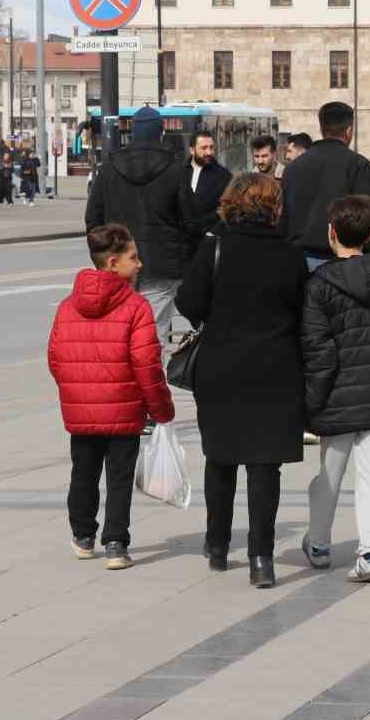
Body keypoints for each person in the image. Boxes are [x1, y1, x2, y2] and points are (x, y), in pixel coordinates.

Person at [176, 174, 309, 587]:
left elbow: (188, 303)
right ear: (274, 207)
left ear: (231, 203)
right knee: (264, 466)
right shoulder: (291, 255)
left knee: (221, 458)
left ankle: (217, 547)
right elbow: (301, 312)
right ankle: (261, 559)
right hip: (275, 367)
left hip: (221, 368)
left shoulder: (214, 248)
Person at [45, 224, 175, 571]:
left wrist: (76, 390)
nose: (140, 264)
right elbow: (147, 365)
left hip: (82, 409)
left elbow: (55, 358)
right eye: (134, 258)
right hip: (125, 407)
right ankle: (116, 542)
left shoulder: (67, 306)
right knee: (119, 476)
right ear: (113, 263)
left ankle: (83, 536)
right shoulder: (136, 308)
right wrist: (161, 408)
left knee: (83, 471)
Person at [299, 195, 370, 584]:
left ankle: (318, 543)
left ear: (331, 233)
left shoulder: (319, 284)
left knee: (329, 473)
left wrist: (311, 401)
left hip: (337, 396)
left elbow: (317, 349)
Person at [85, 106, 190, 340]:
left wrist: (104, 256)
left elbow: (93, 218)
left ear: (133, 133)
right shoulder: (175, 170)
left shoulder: (109, 169)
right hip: (162, 265)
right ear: (159, 133)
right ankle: (152, 376)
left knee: (119, 335)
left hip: (117, 263)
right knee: (154, 336)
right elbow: (190, 222)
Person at [282, 101, 370, 271]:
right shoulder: (360, 166)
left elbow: (284, 216)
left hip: (298, 260)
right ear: (349, 131)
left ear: (321, 128)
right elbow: (366, 218)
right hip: (344, 263)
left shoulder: (293, 168)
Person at [183, 130, 233, 239]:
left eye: (211, 147)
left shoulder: (224, 176)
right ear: (192, 150)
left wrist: (213, 232)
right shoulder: (180, 172)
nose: (209, 152)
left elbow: (229, 208)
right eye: (204, 148)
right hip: (181, 241)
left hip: (209, 240)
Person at [0, 140, 15, 205]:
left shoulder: (10, 161)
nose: (7, 156)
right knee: (1, 189)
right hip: (1, 176)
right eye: (6, 155)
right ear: (3, 156)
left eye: (7, 155)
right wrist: (4, 166)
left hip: (8, 176)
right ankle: (0, 200)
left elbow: (12, 168)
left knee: (8, 189)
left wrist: (9, 167)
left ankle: (10, 201)